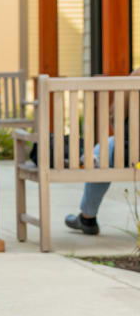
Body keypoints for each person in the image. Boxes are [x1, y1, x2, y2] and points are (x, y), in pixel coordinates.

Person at [65, 67, 140, 235]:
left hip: (133, 154)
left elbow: (115, 116)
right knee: (105, 150)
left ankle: (87, 218)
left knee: (102, 152)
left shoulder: (138, 74)